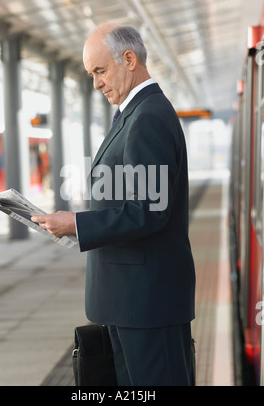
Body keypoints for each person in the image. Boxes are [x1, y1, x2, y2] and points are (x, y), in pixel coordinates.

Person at [32, 24, 196, 386]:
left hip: (146, 303)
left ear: (129, 59)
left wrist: (76, 224)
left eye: (100, 71)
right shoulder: (133, 113)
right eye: (91, 74)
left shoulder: (147, 117)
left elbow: (147, 210)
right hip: (131, 300)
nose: (96, 83)